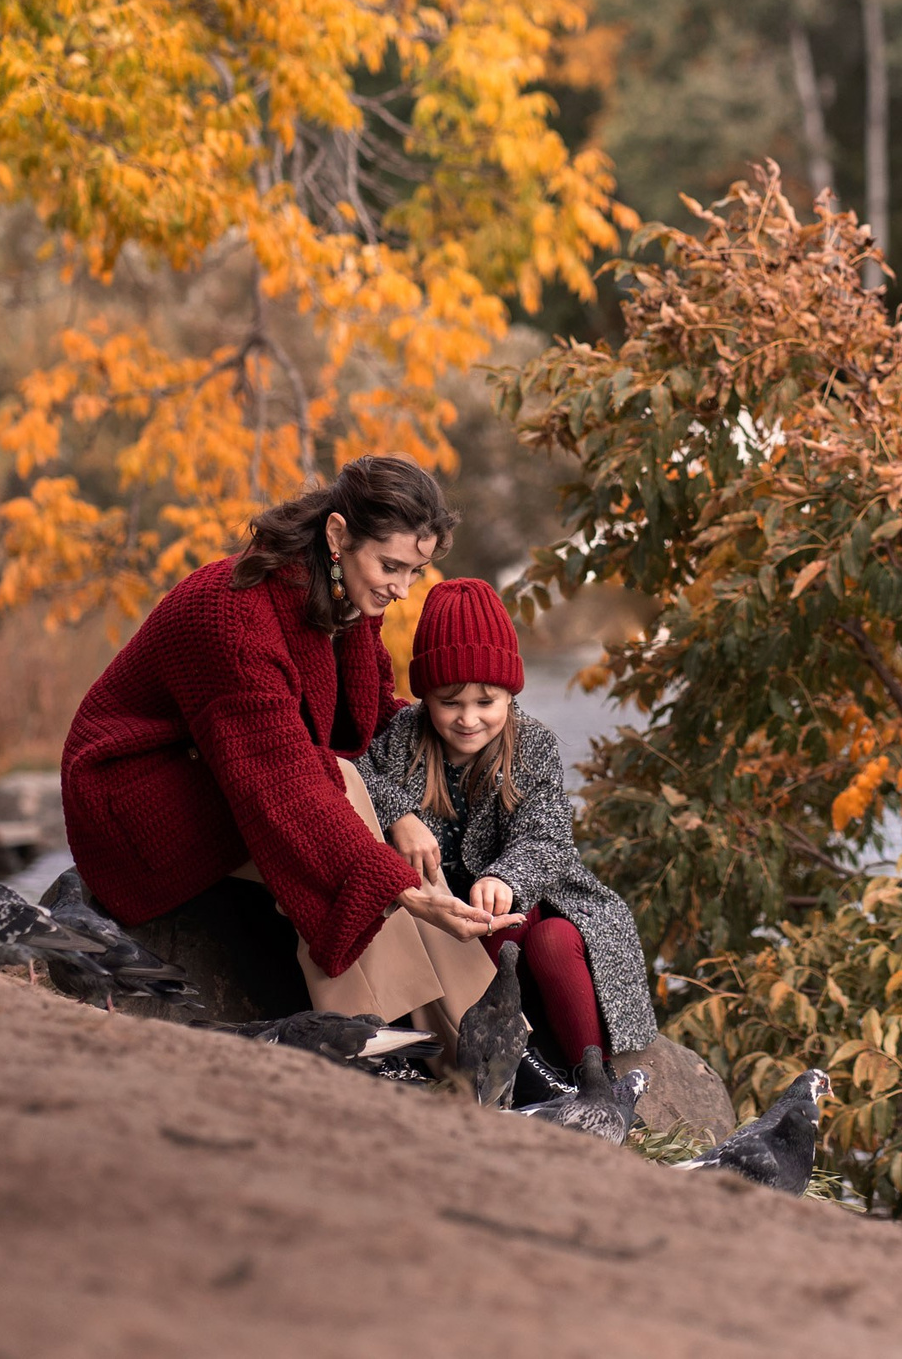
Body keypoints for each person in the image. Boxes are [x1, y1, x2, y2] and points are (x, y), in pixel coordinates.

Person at [60, 457, 514, 1022]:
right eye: (391, 566)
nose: (402, 589)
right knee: (342, 791)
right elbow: (285, 782)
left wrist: (478, 748)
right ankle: (370, 1033)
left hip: (225, 770)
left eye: (415, 572)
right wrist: (403, 889)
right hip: (132, 801)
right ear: (338, 534)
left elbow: (375, 718)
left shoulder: (342, 597)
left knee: (372, 812)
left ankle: (487, 1036)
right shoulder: (232, 611)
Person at [360, 578, 659, 1086]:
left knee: (550, 940)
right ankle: (513, 1072)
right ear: (426, 695)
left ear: (509, 693)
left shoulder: (532, 744)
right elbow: (357, 771)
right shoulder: (404, 736)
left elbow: (545, 835)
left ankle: (594, 1080)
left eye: (486, 701)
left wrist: (506, 876)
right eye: (451, 701)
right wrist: (398, 814)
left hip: (523, 900)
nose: (469, 719)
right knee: (499, 938)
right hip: (443, 916)